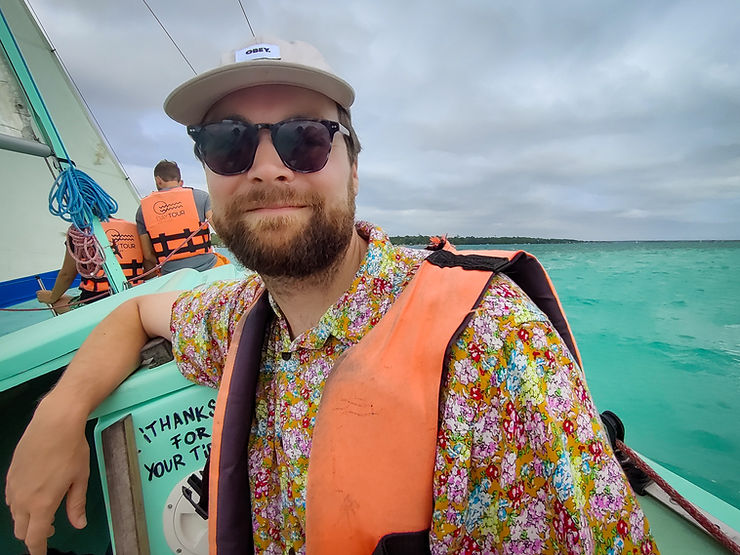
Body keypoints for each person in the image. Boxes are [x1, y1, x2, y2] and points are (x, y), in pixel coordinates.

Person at [6, 36, 658, 555]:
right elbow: (135, 310)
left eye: (305, 138)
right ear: (207, 170)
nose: (267, 164)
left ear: (353, 164)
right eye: (228, 142)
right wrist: (60, 413)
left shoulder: (494, 351)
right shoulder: (239, 318)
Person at [36, 218, 146, 313]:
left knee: (57, 303)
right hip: (136, 294)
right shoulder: (132, 227)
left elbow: (66, 275)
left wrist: (51, 297)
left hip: (96, 302)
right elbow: (148, 262)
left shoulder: (79, 232)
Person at [135, 159, 219, 274]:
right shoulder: (201, 196)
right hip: (208, 266)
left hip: (171, 273)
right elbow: (221, 230)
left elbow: (148, 255)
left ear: (158, 180)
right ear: (179, 179)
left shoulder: (142, 210)